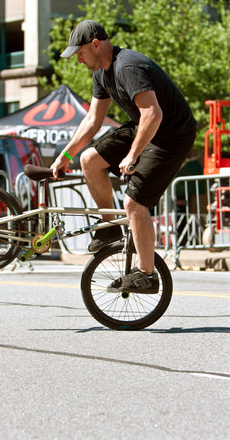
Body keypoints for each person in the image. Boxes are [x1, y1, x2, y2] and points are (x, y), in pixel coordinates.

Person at [51, 20, 196, 294]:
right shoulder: (101, 74)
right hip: (144, 126)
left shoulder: (127, 66)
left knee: (134, 203)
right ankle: (108, 227)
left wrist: (132, 155)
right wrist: (66, 154)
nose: (78, 60)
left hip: (171, 135)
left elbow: (153, 113)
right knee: (89, 160)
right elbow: (93, 120)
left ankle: (146, 274)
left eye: (79, 53)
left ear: (95, 44)